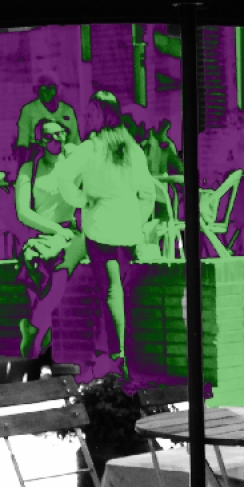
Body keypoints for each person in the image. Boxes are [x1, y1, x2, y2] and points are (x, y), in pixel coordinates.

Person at [53, 122, 163, 374]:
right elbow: (148, 191)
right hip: (128, 229)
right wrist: (139, 221)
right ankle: (107, 352)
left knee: (111, 291)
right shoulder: (133, 149)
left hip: (101, 226)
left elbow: (63, 177)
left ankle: (116, 355)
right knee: (120, 289)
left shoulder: (91, 147)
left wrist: (82, 200)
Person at [13, 115, 85, 361]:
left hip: (71, 233)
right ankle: (40, 340)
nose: (56, 139)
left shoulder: (74, 165)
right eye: (49, 136)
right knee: (37, 271)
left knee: (58, 276)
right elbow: (23, 212)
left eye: (60, 133)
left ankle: (34, 331)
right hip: (42, 234)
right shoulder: (29, 170)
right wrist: (54, 230)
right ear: (39, 141)